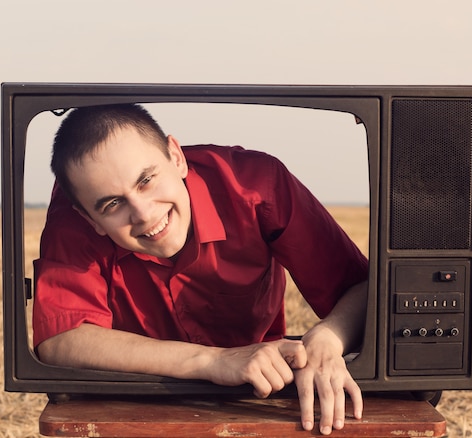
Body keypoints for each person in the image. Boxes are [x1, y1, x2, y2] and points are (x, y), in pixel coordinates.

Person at [33, 103, 369, 435]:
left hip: (257, 393)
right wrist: (212, 361)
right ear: (90, 219)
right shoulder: (73, 219)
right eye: (113, 204)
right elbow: (60, 339)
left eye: (147, 180)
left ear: (176, 157)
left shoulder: (256, 184)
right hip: (138, 399)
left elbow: (364, 287)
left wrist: (327, 339)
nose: (144, 214)